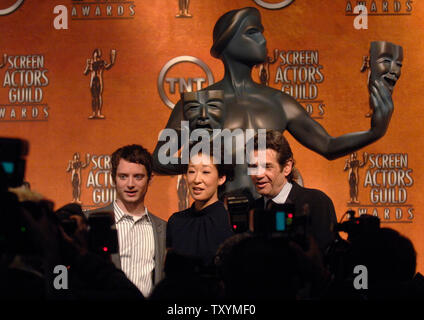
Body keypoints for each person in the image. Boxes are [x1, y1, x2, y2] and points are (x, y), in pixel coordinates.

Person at [153, 7, 395, 198]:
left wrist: (375, 131)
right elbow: (159, 159)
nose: (262, 39)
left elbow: (328, 145)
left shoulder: (279, 101)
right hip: (220, 216)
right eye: (252, 32)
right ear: (227, 42)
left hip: (273, 217)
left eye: (261, 32)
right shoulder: (197, 103)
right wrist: (209, 164)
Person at [88, 144, 166, 298]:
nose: (130, 184)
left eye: (138, 177)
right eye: (123, 176)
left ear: (150, 179)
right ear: (113, 178)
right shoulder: (90, 222)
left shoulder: (162, 228)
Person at [248, 130, 337, 253]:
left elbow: (324, 256)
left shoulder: (316, 202)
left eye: (267, 166)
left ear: (287, 167)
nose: (258, 174)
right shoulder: (251, 210)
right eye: (253, 167)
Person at [166, 144, 234, 267]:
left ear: (221, 178)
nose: (197, 179)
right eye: (191, 171)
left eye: (205, 172)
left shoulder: (228, 222)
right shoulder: (176, 221)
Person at [83, 48, 116, 119]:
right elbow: (85, 73)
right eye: (96, 53)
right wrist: (87, 65)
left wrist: (112, 62)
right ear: (94, 54)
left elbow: (107, 67)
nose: (97, 55)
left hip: (99, 79)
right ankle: (94, 113)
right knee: (93, 97)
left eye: (98, 53)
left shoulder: (102, 62)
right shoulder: (91, 62)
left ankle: (98, 113)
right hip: (93, 80)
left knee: (98, 96)